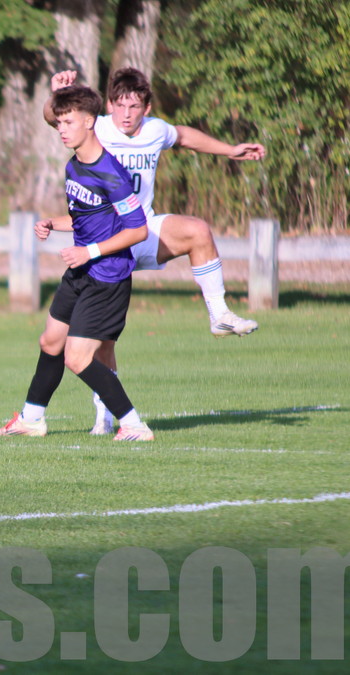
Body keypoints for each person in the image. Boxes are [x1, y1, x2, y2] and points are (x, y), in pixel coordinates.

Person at [45, 68, 266, 434]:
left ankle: (219, 314)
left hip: (141, 231)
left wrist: (230, 150)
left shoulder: (154, 130)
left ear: (146, 108)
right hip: (108, 240)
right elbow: (55, 117)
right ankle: (104, 416)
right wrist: (57, 94)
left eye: (134, 106)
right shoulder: (96, 127)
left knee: (197, 230)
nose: (126, 114)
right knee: (102, 343)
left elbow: (185, 137)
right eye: (120, 105)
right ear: (109, 106)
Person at [0, 85, 154, 442]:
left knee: (77, 358)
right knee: (51, 342)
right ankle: (32, 419)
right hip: (81, 271)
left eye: (68, 122)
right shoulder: (74, 165)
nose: (61, 129)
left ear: (90, 122)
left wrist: (89, 252)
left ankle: (134, 425)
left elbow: (138, 230)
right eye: (59, 123)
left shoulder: (110, 173)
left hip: (107, 277)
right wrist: (53, 222)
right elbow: (85, 218)